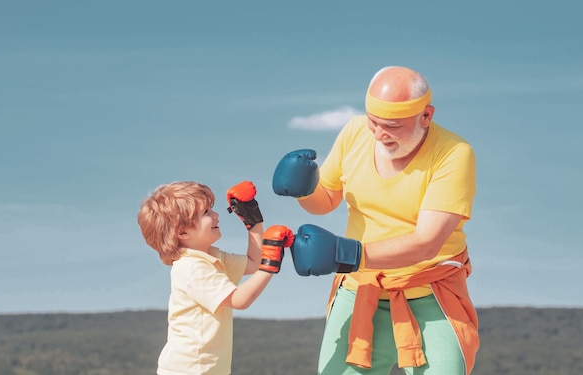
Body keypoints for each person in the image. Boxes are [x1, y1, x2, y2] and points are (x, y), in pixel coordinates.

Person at [272, 66, 479, 375]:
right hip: (360, 291)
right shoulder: (355, 132)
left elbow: (427, 242)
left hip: (431, 297)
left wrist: (348, 254)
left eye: (392, 126)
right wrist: (304, 190)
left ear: (426, 116)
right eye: (373, 122)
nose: (379, 134)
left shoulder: (454, 154)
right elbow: (326, 199)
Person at [137, 180, 293, 375]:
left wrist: (253, 222)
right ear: (182, 232)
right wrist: (270, 264)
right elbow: (239, 299)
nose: (216, 215)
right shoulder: (192, 268)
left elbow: (254, 263)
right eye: (206, 213)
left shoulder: (213, 258)